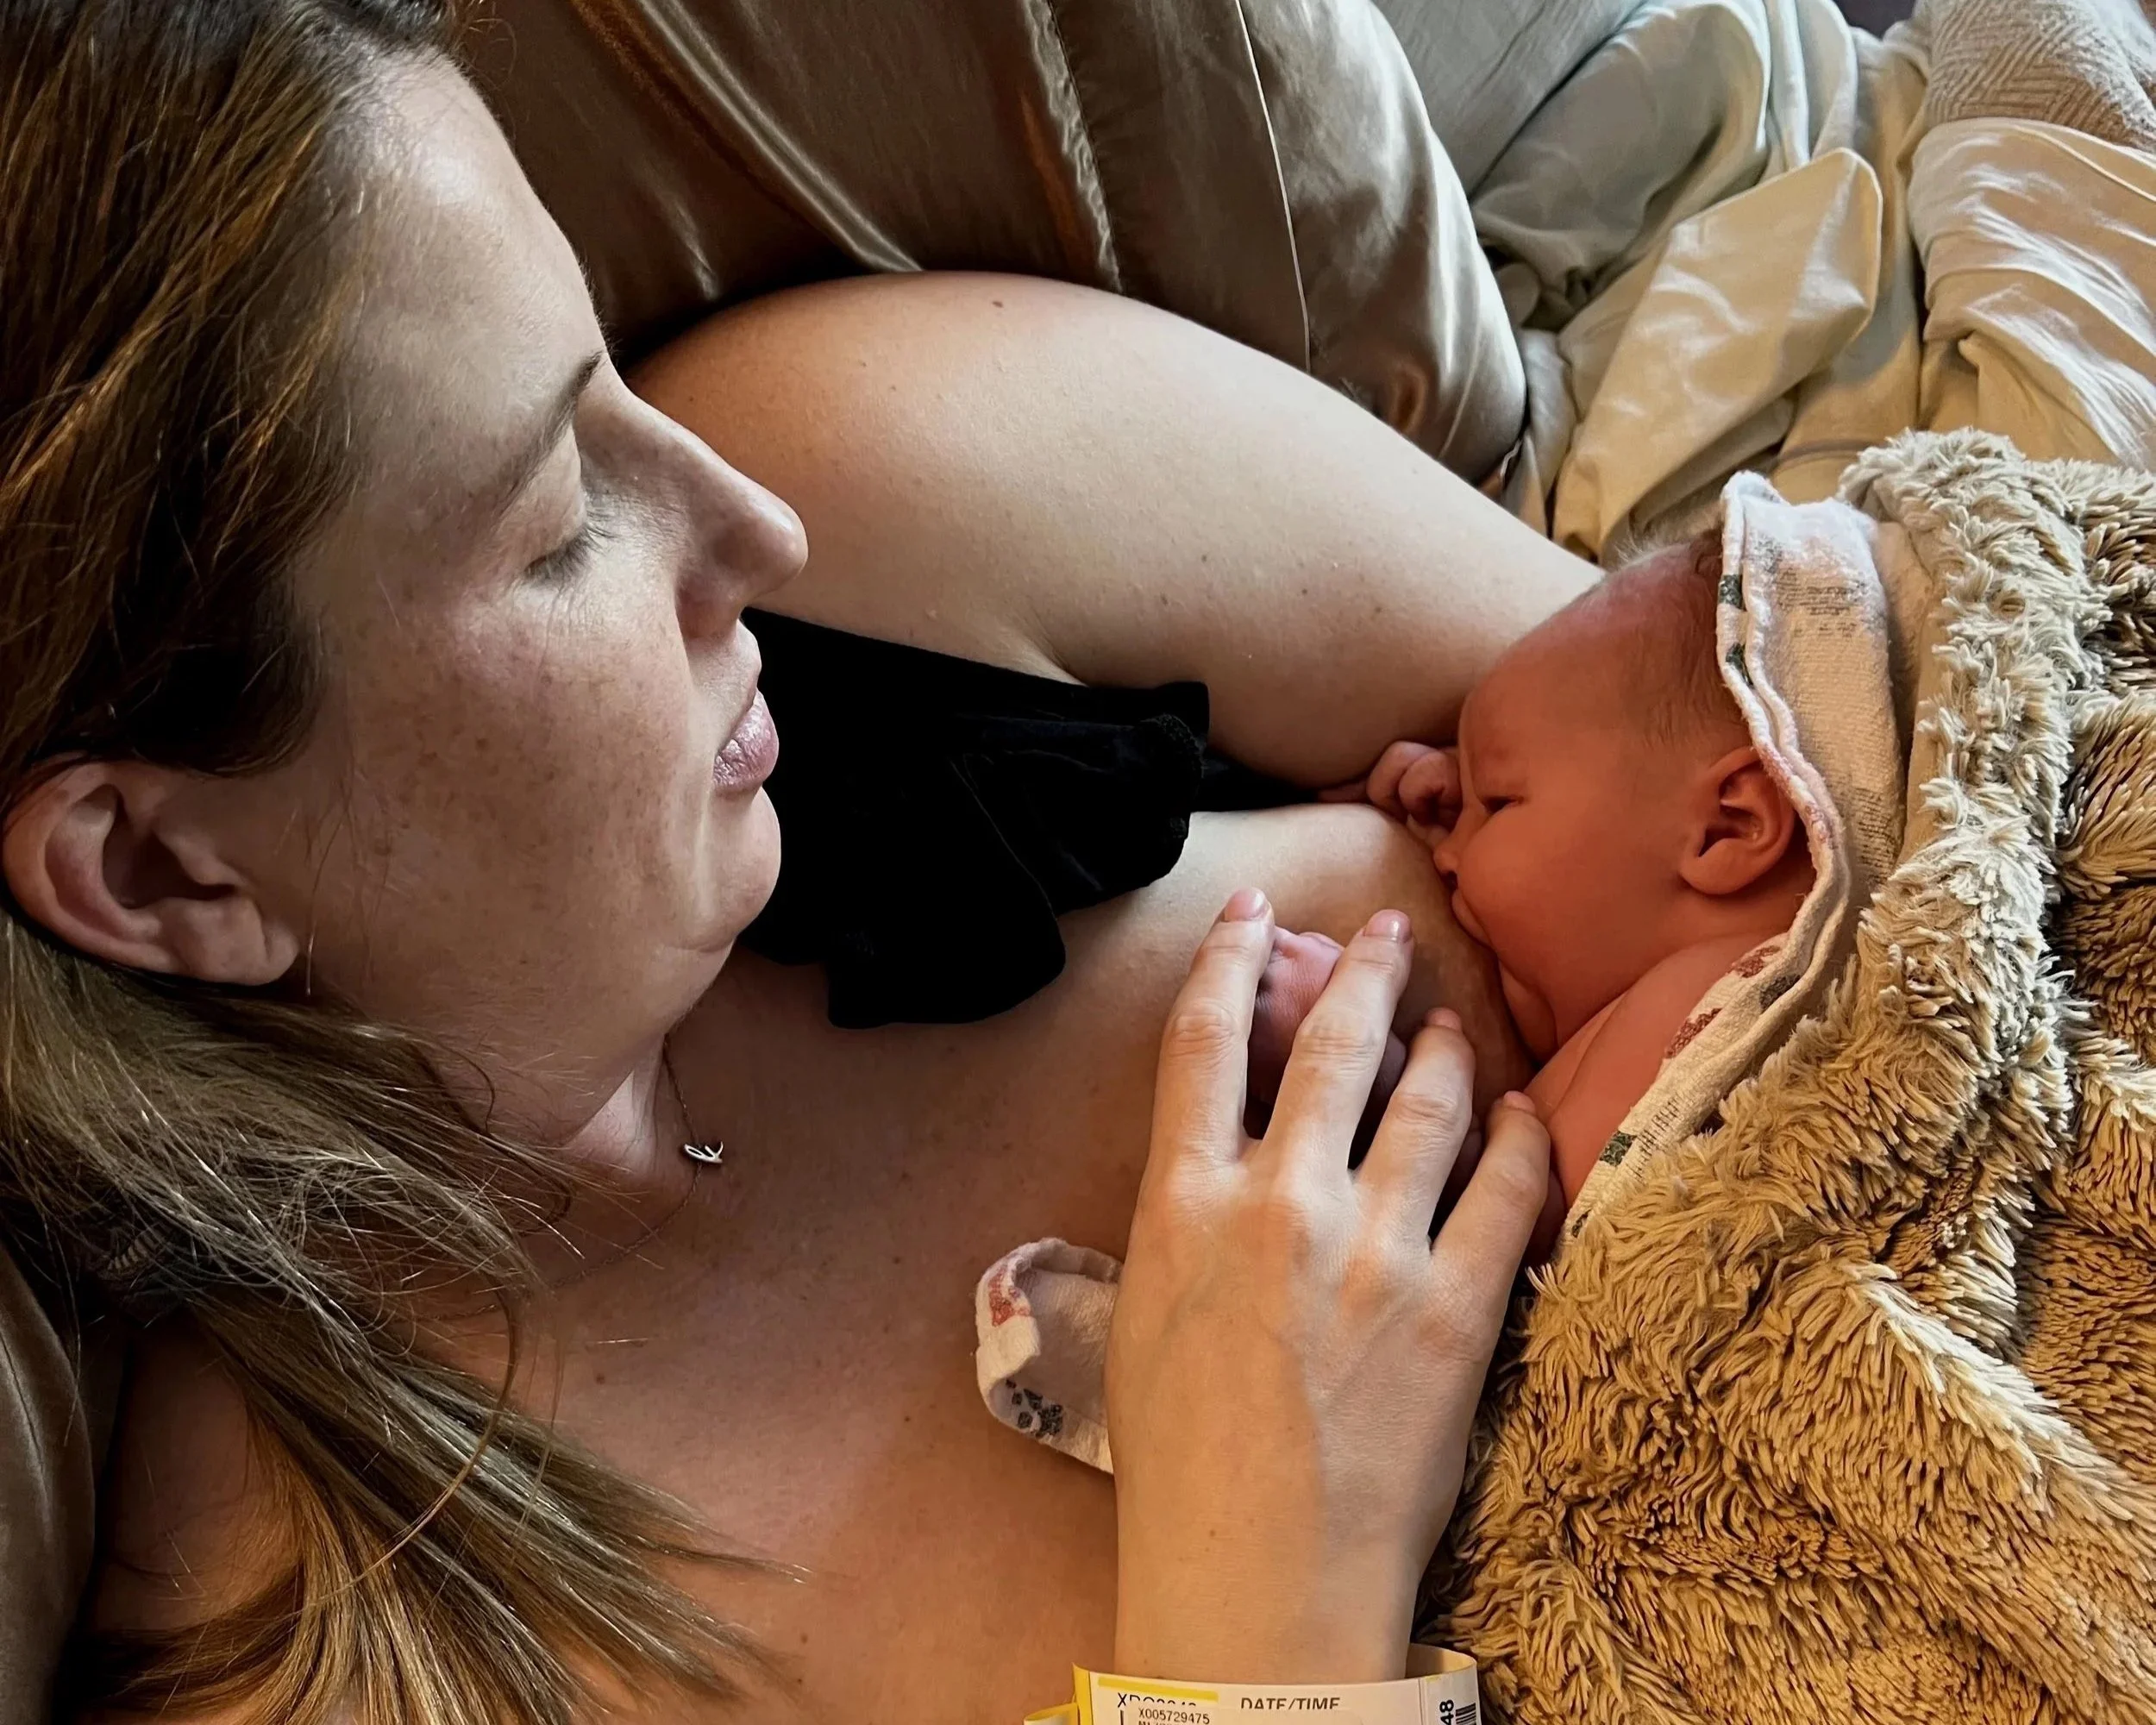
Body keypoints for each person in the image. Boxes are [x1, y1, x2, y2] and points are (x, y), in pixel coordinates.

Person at [0, 3, 1596, 1718]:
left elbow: (1802, 739)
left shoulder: (888, 491)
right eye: (551, 529)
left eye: (600, 365)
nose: (750, 529)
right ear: (167, 875)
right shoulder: (352, 1640)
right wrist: (1265, 1633)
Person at [1252, 537, 1815, 1205]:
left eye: (1497, 800)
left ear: (1728, 828)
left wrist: (1356, 1074)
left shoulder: (1719, 1003)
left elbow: (1519, 1225)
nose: (1447, 856)